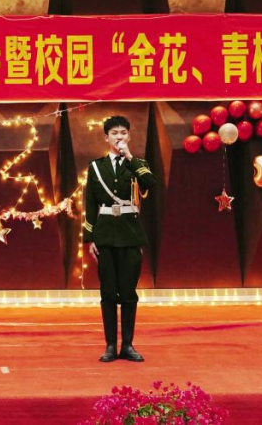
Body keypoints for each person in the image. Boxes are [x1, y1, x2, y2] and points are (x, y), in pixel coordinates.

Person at [83, 115, 156, 363]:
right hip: (104, 235)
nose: (119, 137)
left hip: (130, 235)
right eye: (114, 133)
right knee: (108, 293)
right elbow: (90, 204)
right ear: (106, 137)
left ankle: (128, 345)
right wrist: (90, 238)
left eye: (123, 133)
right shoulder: (96, 167)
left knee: (128, 293)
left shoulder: (137, 164)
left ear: (129, 136)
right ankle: (110, 346)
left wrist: (130, 157)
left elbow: (150, 182)